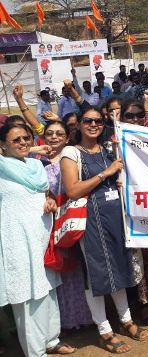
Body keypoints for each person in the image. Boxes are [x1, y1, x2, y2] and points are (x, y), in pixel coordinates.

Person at [61, 107, 148, 353]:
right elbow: (73, 190)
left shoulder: (109, 150)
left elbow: (117, 178)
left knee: (119, 269)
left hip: (114, 220)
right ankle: (104, 331)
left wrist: (119, 180)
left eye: (98, 121)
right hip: (90, 223)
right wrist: (106, 173)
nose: (94, 124)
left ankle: (126, 320)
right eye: (88, 120)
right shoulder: (71, 152)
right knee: (97, 276)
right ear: (78, 124)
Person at [0, 121, 76, 356]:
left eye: (27, 138)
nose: (23, 142)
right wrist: (33, 149)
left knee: (48, 291)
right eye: (16, 140)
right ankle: (36, 352)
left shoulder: (35, 166)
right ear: (2, 145)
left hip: (43, 240)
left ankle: (51, 340)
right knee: (28, 298)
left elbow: (43, 194)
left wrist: (49, 200)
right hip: (18, 244)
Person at [38, 121, 95, 331]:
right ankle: (66, 321)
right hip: (51, 222)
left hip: (75, 218)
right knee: (60, 269)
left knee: (79, 268)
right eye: (49, 133)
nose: (54, 137)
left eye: (59, 134)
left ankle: (87, 317)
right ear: (42, 136)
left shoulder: (74, 158)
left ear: (67, 138)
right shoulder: (36, 163)